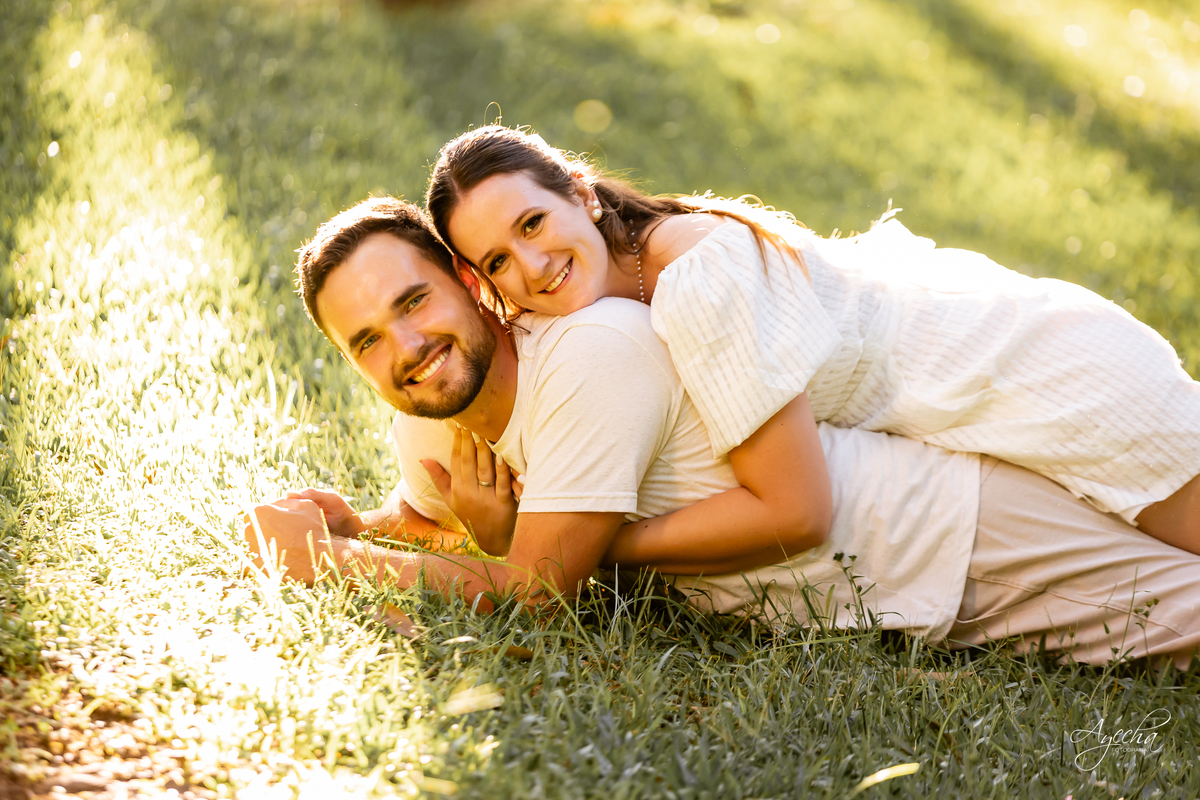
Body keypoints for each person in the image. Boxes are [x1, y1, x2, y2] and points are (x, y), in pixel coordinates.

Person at [244, 197, 1200, 668]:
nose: (406, 347)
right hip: (887, 593)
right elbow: (448, 519)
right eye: (367, 339)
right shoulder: (432, 406)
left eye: (415, 302)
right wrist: (359, 523)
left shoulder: (589, 356)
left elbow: (533, 585)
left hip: (936, 530)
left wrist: (324, 562)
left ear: (469, 281)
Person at [424, 125, 1200, 557]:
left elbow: (797, 515)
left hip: (1049, 375)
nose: (532, 266)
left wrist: (572, 543)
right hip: (982, 394)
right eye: (498, 261)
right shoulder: (601, 289)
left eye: (533, 223)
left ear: (582, 196)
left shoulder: (691, 279)